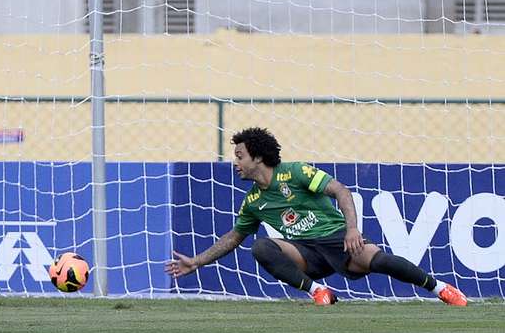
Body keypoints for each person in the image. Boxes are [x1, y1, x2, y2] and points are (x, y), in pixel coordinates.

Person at [165, 127, 467, 306]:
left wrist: (352, 229)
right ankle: (318, 291)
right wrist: (197, 261)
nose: (235, 163)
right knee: (261, 247)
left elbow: (340, 190)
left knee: (381, 261)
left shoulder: (295, 172)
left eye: (240, 156)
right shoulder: (253, 201)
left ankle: (441, 289)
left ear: (257, 157)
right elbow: (234, 237)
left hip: (337, 240)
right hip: (306, 255)